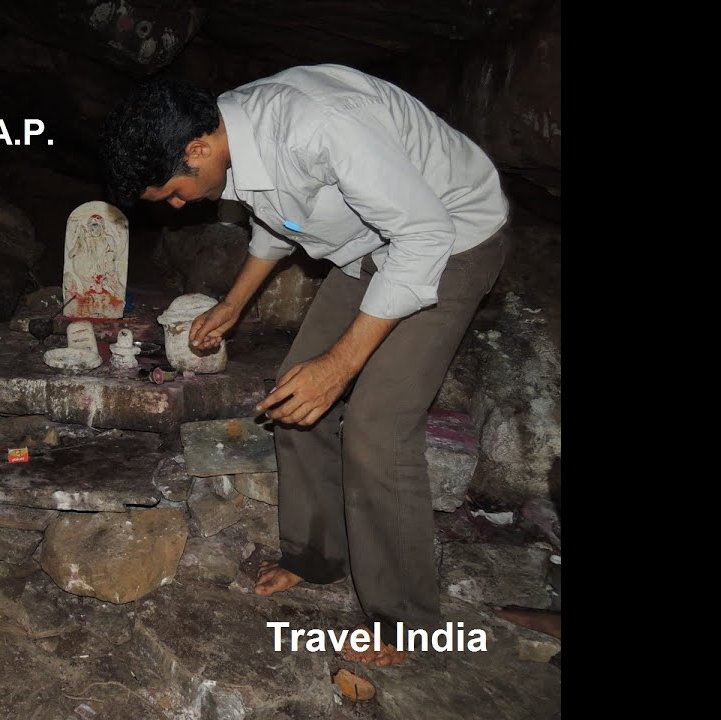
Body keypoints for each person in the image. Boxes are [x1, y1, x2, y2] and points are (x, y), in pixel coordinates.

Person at [100, 64, 511, 667]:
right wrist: (232, 304)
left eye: (176, 193)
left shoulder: (319, 127)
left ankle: (405, 623)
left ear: (198, 148)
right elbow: (278, 213)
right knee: (295, 394)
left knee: (377, 421)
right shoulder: (229, 127)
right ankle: (316, 556)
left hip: (452, 234)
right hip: (373, 240)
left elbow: (424, 236)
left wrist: (342, 364)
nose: (182, 206)